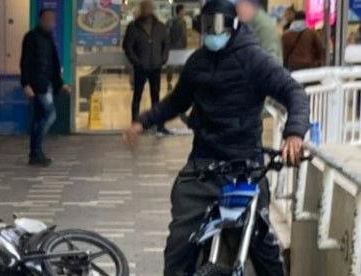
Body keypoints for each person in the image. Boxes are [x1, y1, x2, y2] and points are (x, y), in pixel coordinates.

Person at [123, 0, 310, 275]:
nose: (212, 33)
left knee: (264, 246)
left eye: (218, 26)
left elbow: (295, 92)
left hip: (245, 167)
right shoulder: (197, 63)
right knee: (178, 245)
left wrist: (293, 133)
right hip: (203, 166)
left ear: (234, 26)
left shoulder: (254, 59)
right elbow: (176, 102)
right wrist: (142, 122)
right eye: (206, 27)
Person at [20, 8, 69, 167]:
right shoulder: (31, 38)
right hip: (38, 85)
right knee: (50, 115)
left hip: (46, 83)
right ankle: (35, 151)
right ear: (41, 20)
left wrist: (60, 84)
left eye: (53, 20)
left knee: (40, 118)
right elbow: (25, 62)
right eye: (48, 19)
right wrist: (26, 84)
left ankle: (35, 152)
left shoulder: (49, 38)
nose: (52, 23)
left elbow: (54, 64)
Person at [123, 0, 171, 136]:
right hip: (140, 67)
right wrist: (136, 62)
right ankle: (135, 124)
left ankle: (159, 125)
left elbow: (166, 43)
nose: (147, 10)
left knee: (156, 97)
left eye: (149, 8)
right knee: (137, 96)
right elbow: (127, 46)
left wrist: (163, 59)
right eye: (145, 8)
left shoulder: (160, 27)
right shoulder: (133, 27)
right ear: (141, 9)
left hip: (155, 67)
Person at [237, 0, 283, 64]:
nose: (237, 10)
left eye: (240, 5)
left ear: (252, 7)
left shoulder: (264, 25)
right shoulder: (247, 23)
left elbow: (271, 59)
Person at [166, 4, 188, 91]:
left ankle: (180, 84)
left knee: (182, 67)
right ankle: (169, 82)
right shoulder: (172, 21)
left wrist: (185, 44)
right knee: (171, 67)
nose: (185, 12)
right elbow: (167, 33)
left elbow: (184, 35)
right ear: (180, 11)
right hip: (173, 47)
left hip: (182, 47)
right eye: (183, 10)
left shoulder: (183, 22)